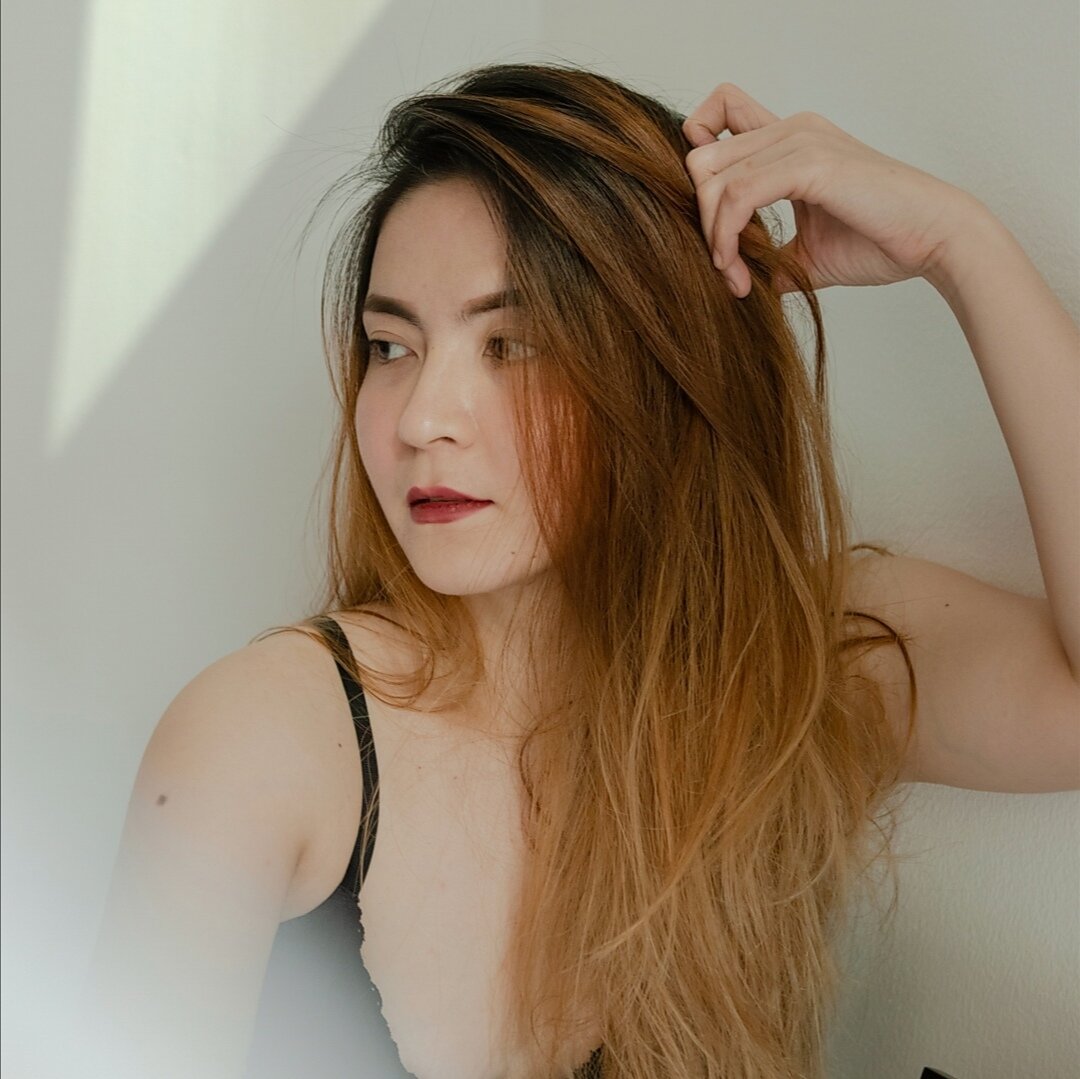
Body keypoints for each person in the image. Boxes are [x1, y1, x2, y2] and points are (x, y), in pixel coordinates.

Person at [81, 63, 1079, 1079]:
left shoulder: (787, 670)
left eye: (511, 344)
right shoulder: (264, 743)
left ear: (665, 370)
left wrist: (961, 244)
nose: (422, 419)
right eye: (391, 345)